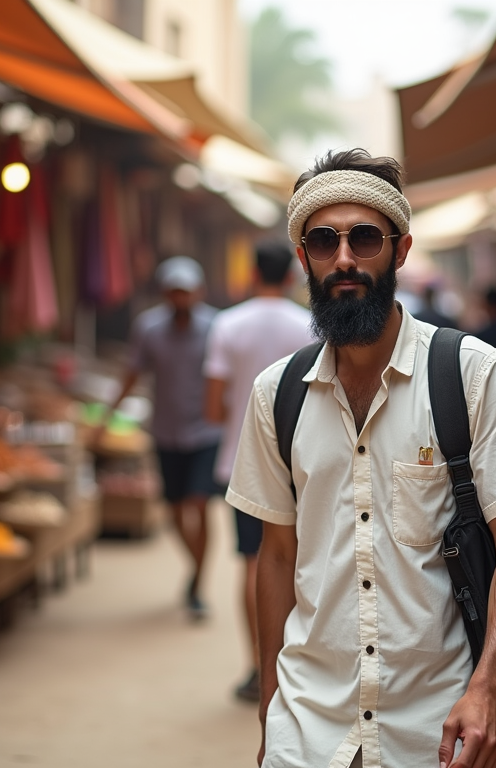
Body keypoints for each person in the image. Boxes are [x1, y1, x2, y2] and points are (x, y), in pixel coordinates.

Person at [225, 148, 496, 768]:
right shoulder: (275, 395)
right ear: (303, 257)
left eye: (364, 238)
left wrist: (488, 689)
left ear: (401, 250)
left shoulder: (474, 374)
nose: (345, 258)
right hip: (309, 732)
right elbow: (275, 557)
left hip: (438, 730)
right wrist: (271, 712)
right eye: (324, 241)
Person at [202, 242, 313, 703]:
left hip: (241, 461)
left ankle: (257, 666)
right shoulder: (310, 325)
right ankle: (301, 666)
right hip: (304, 463)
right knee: (305, 563)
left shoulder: (227, 324)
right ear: (292, 275)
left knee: (255, 562)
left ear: (252, 274)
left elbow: (212, 407)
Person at [98, 255, 221, 620]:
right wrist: (106, 416)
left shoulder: (216, 328)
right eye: (173, 292)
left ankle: (198, 583)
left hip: (205, 431)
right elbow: (132, 372)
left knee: (199, 504)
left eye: (186, 292)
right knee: (174, 510)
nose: (180, 299)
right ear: (165, 294)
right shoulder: (149, 328)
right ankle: (194, 566)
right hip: (166, 431)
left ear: (198, 292)